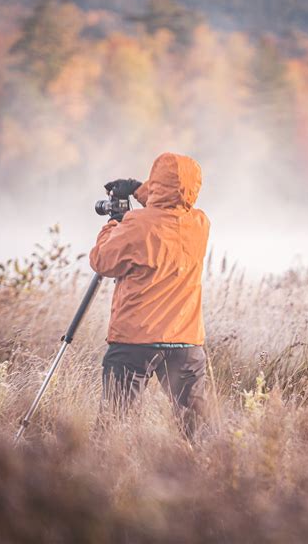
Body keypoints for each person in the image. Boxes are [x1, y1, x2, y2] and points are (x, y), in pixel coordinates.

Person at [89, 152, 210, 437]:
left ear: (156, 182)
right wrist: (137, 188)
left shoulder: (136, 225)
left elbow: (102, 261)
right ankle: (201, 472)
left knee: (114, 426)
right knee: (194, 430)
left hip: (135, 340)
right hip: (186, 340)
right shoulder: (200, 224)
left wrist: (114, 223)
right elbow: (171, 202)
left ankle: (103, 474)